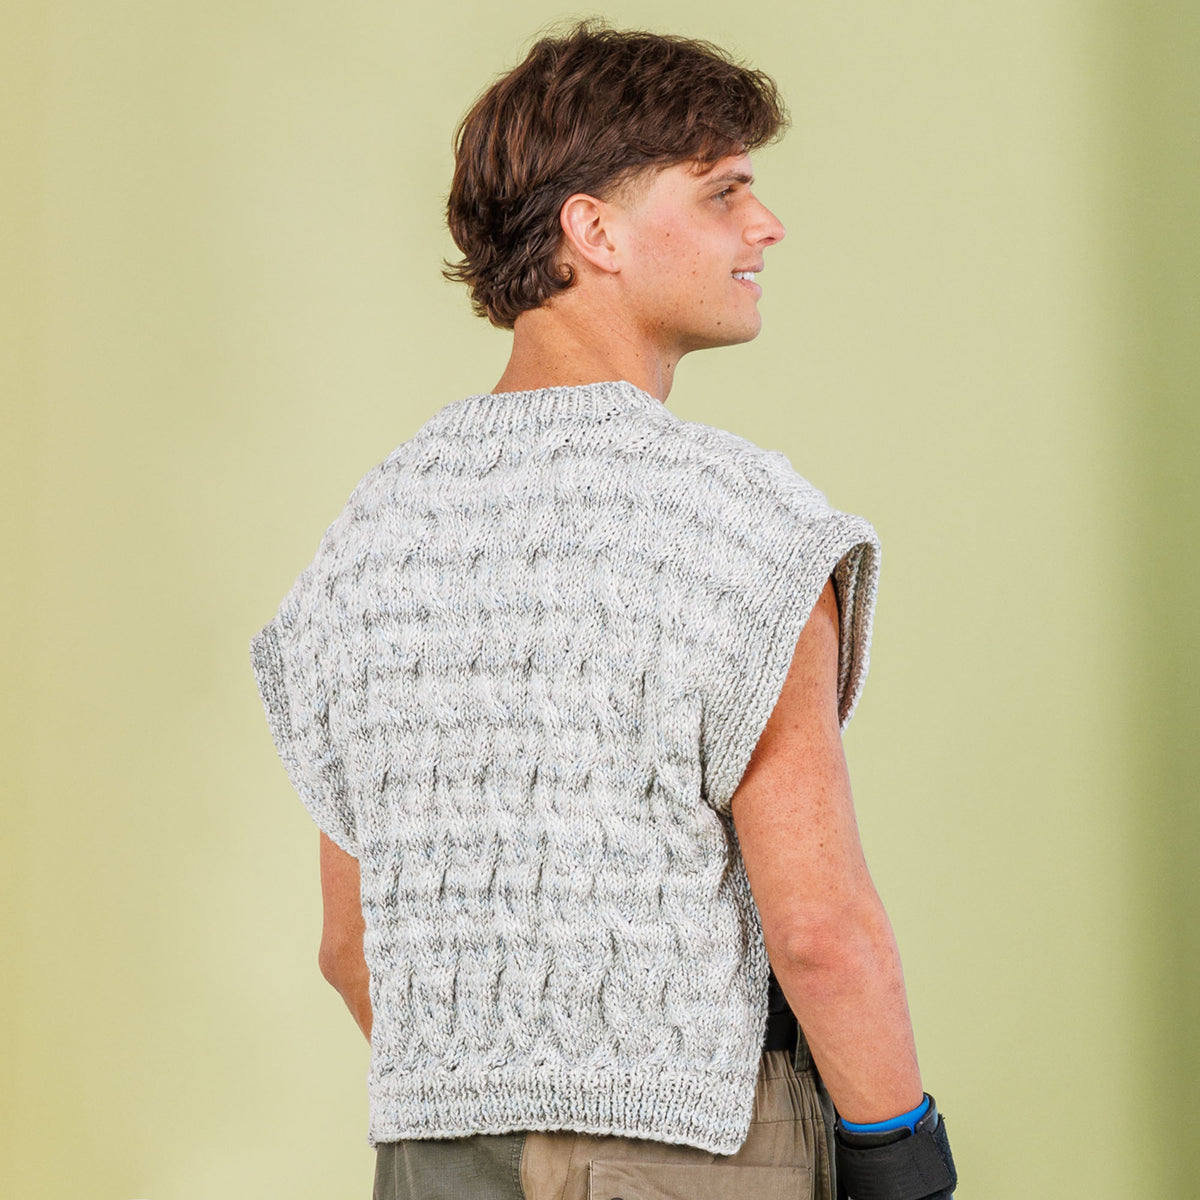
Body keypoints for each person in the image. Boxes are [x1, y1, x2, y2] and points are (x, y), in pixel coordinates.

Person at [250, 20, 958, 1200]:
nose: (766, 224)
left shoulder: (369, 537)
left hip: (432, 1153)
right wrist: (903, 1160)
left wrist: (500, 1106)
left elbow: (348, 945)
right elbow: (820, 932)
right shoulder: (741, 526)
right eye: (723, 190)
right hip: (687, 1148)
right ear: (594, 230)